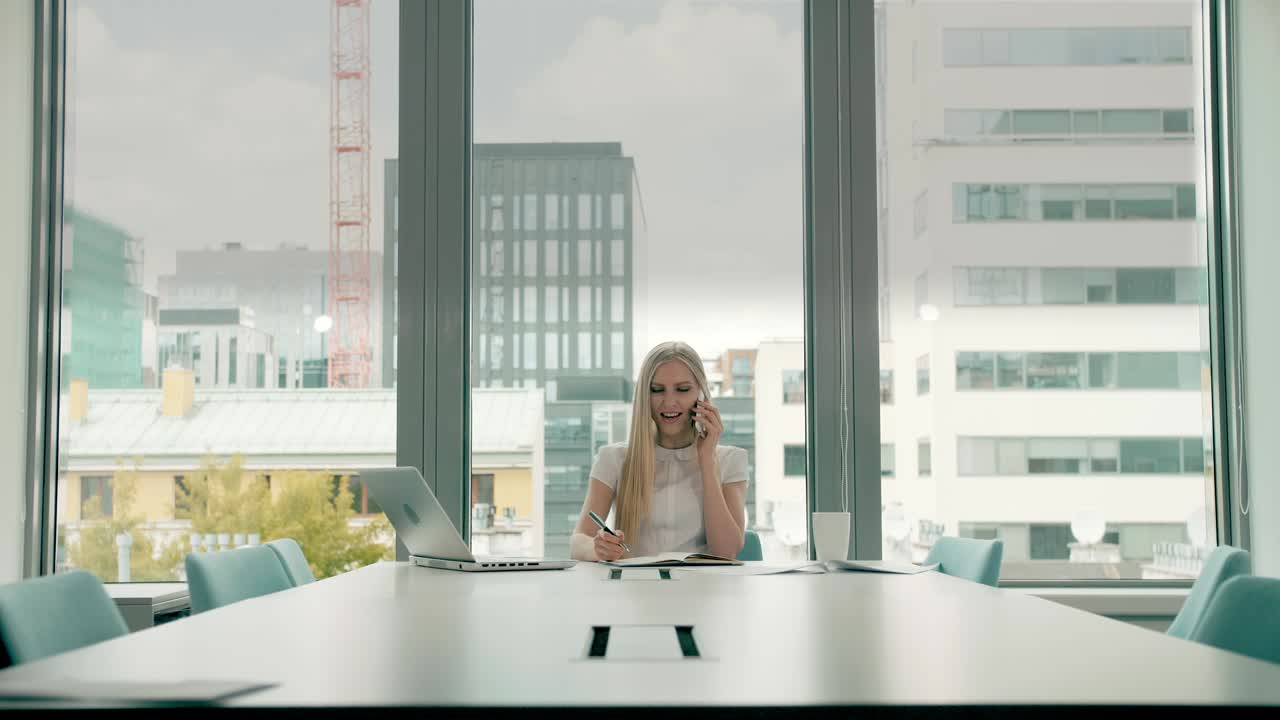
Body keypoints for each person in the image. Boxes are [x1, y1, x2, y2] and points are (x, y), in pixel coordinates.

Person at [569, 341, 748, 562]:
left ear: (701, 395)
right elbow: (578, 541)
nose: (669, 402)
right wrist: (596, 548)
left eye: (682, 390)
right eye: (657, 390)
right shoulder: (613, 458)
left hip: (702, 589)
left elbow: (727, 551)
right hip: (635, 589)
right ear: (645, 395)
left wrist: (706, 459)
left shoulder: (731, 460)